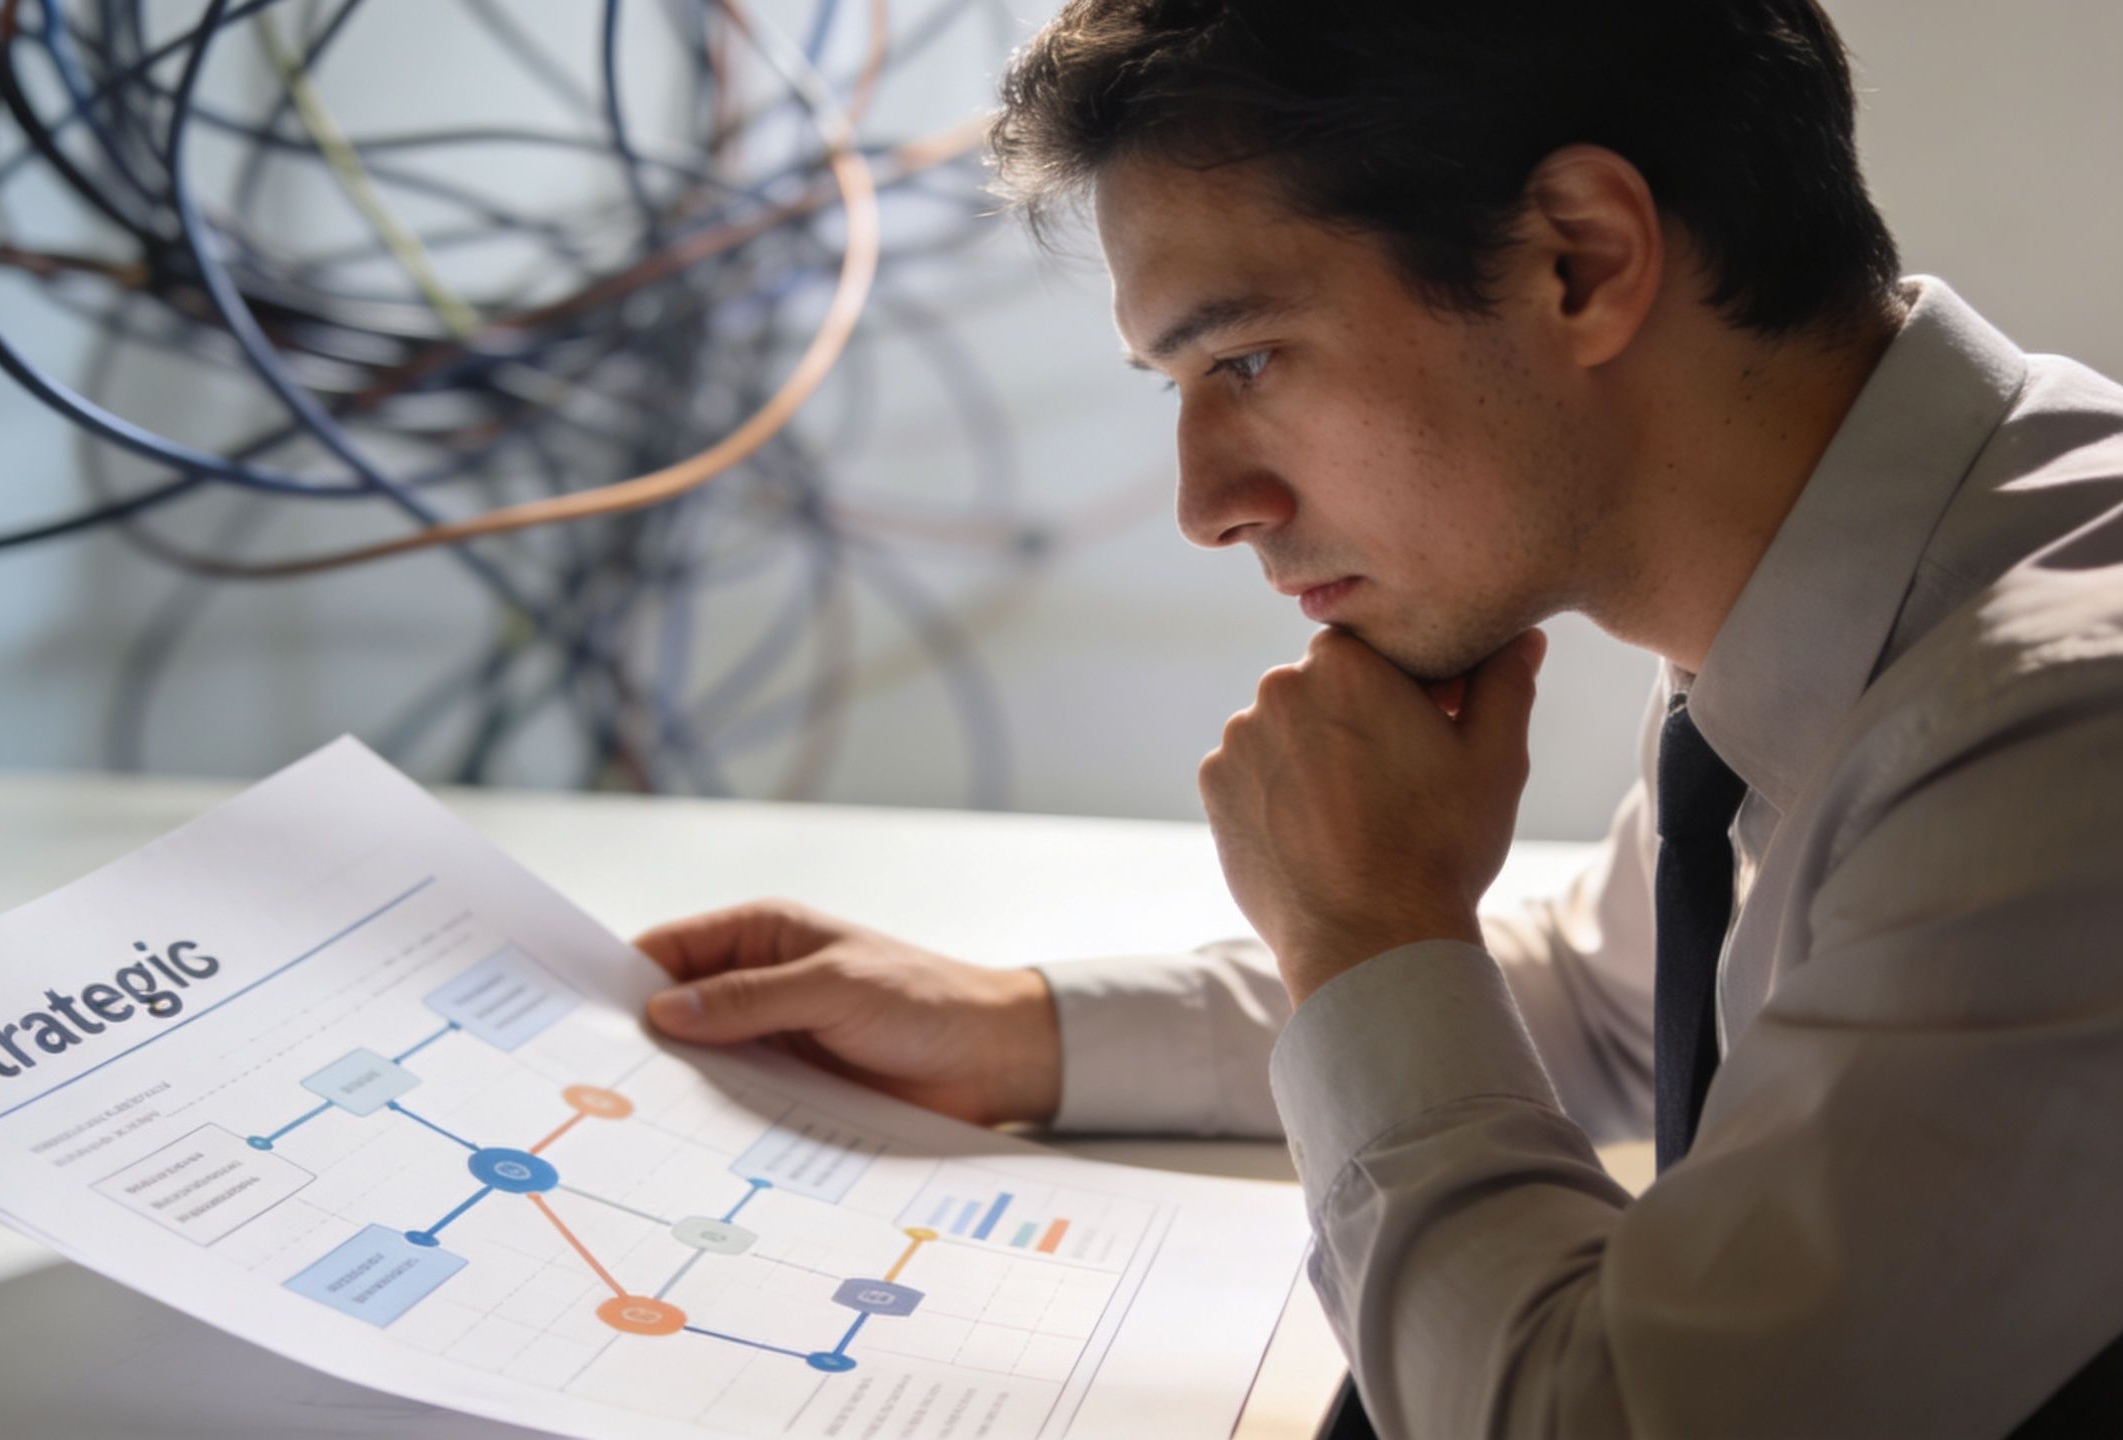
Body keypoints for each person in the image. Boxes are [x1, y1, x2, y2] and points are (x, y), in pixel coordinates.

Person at [636, 2, 2123, 1434]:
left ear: (1579, 259)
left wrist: (1364, 936)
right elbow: (1613, 996)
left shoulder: (2058, 738)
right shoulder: (1863, 582)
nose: (1207, 505)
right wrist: (1017, 1032)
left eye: (1247, 359)